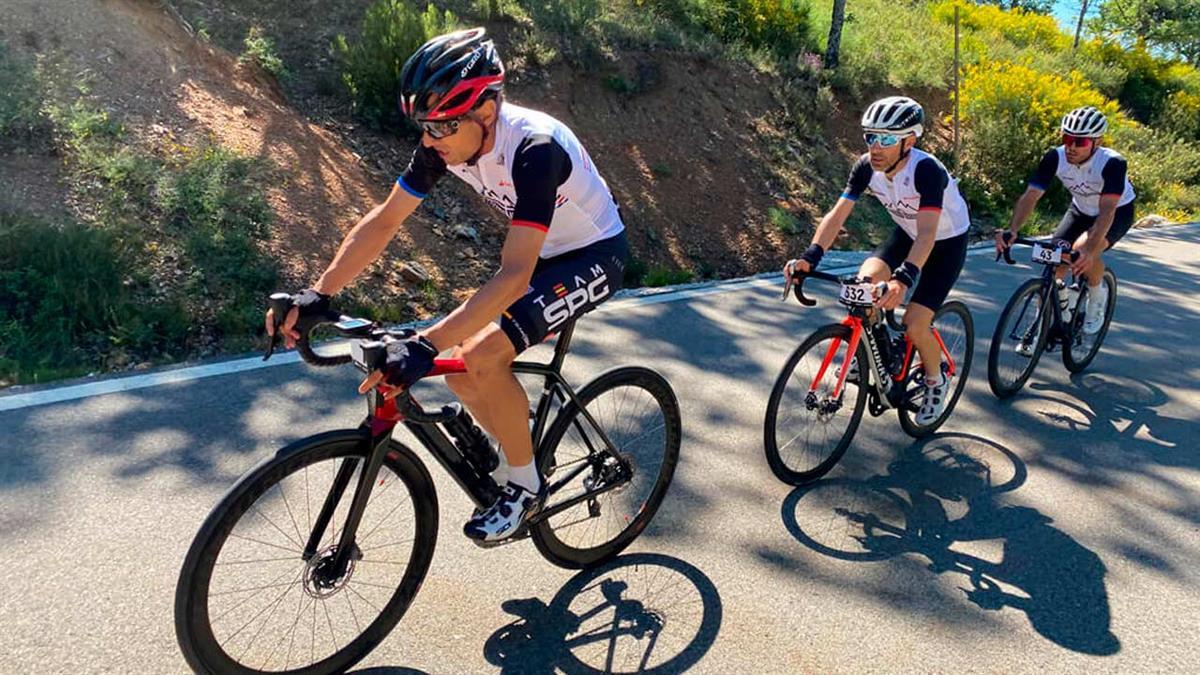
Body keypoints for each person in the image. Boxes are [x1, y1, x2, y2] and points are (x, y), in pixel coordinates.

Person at [267, 28, 628, 542]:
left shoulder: (534, 148)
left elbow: (514, 274)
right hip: (545, 255)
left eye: (443, 126)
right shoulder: (443, 144)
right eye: (424, 126)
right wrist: (319, 293)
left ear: (487, 111)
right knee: (459, 370)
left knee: (479, 356)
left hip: (595, 255)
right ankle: (514, 441)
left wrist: (423, 343)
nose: (431, 141)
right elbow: (386, 220)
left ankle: (527, 487)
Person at [784, 96, 971, 425]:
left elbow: (927, 235)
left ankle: (935, 379)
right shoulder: (866, 166)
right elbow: (838, 214)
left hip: (945, 242)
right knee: (863, 284)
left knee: (915, 323)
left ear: (909, 141)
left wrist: (903, 278)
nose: (876, 147)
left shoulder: (925, 170)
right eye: (871, 137)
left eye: (886, 139)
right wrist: (810, 257)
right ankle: (876, 351)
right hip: (906, 233)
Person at [996, 106, 1134, 338]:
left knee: (1081, 252)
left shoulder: (1112, 163)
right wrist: (1013, 230)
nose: (1071, 146)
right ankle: (1042, 324)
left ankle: (1097, 297)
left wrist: (1090, 250)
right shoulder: (1055, 157)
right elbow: (1031, 195)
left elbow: (1107, 210)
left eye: (1079, 142)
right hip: (1079, 210)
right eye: (1067, 138)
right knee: (1055, 261)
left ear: (1096, 142)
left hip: (1116, 212)